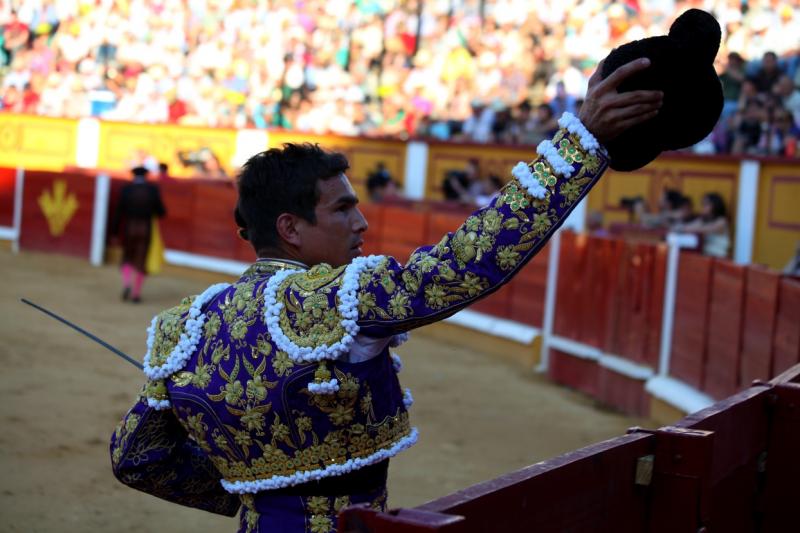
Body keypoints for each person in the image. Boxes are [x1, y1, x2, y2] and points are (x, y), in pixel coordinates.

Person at [109, 58, 663, 532]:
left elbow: (135, 456)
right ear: (291, 228)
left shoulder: (190, 326)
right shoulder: (339, 299)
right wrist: (580, 140)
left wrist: (244, 484)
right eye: (343, 208)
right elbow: (470, 260)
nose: (362, 224)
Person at [110, 166, 167, 303]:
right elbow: (161, 212)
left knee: (128, 256)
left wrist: (114, 231)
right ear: (146, 176)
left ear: (133, 175)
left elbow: (119, 211)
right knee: (141, 259)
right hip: (145, 228)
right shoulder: (152, 189)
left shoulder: (127, 189)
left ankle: (127, 284)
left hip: (129, 227)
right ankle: (136, 294)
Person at [675, 192, 731, 258]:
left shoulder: (722, 221)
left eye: (706, 204)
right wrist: (680, 225)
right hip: (705, 256)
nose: (703, 207)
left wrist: (684, 228)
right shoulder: (703, 220)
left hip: (719, 257)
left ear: (715, 205)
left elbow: (706, 229)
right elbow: (689, 226)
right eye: (702, 205)